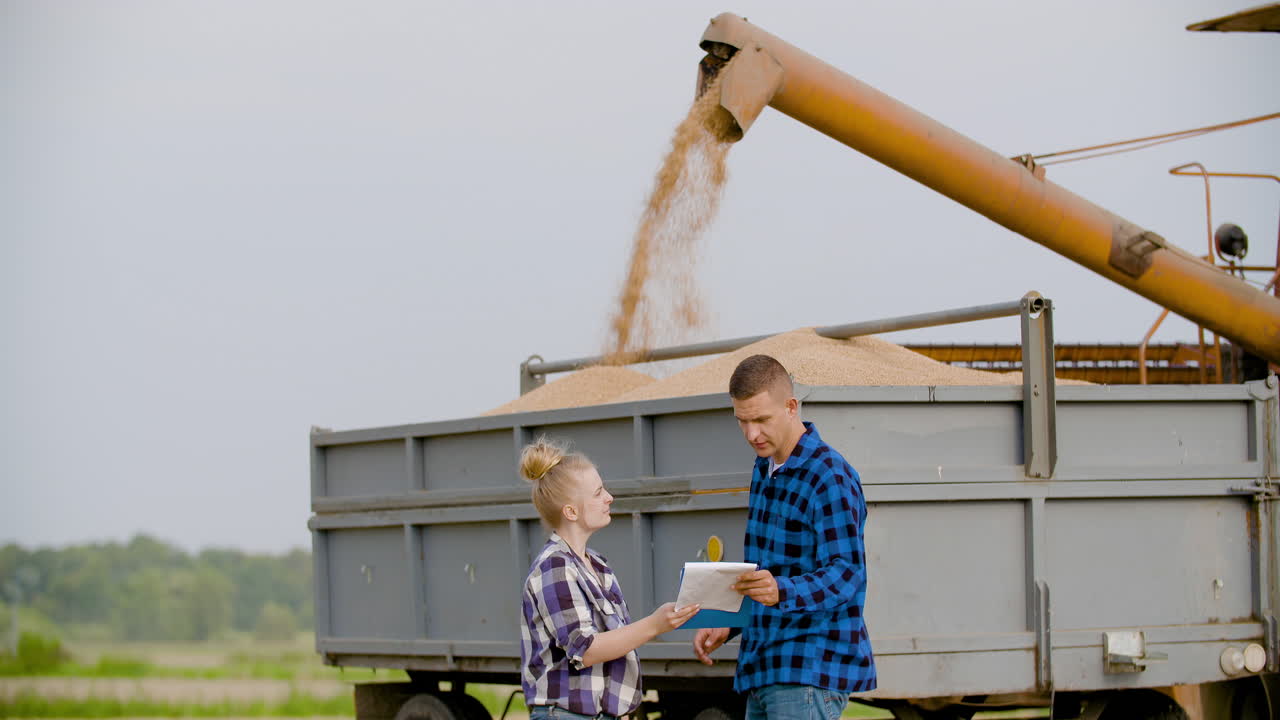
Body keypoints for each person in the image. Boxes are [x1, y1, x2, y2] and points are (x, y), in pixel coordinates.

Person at [692, 354, 876, 720]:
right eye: (742, 421)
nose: (751, 434)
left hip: (808, 669)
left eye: (761, 420)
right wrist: (729, 623)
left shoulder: (829, 476)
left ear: (791, 407)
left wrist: (783, 590)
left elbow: (847, 573)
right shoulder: (765, 468)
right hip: (764, 666)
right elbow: (768, 574)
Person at [519, 438, 699, 720]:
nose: (609, 497)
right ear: (571, 511)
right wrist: (655, 624)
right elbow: (585, 649)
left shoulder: (598, 566)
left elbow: (616, 644)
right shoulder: (554, 568)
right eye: (598, 492)